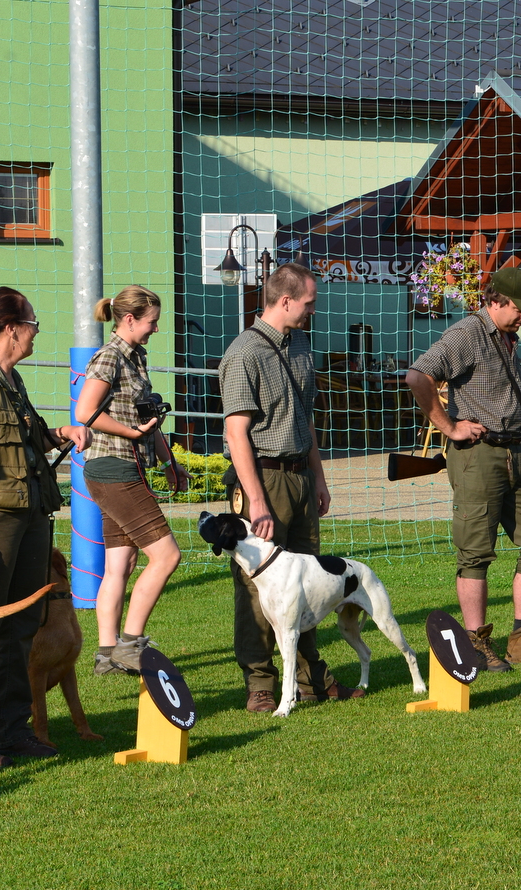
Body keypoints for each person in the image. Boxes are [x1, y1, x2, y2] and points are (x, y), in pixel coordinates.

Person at [0, 287, 91, 767]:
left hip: (30, 517)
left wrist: (61, 434)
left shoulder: (11, 379)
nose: (36, 334)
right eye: (33, 326)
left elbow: (23, 442)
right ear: (11, 329)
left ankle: (10, 731)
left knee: (22, 624)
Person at [406, 267, 521, 670]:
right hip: (479, 455)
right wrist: (449, 427)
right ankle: (476, 643)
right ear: (495, 301)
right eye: (519, 309)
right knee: (475, 553)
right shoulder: (466, 334)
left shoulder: (506, 337)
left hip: (517, 455)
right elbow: (418, 376)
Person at [220, 262, 358, 713]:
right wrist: (256, 500)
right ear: (285, 301)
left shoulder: (300, 344)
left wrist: (319, 477)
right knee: (257, 587)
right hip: (263, 480)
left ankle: (309, 679)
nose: (313, 310)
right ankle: (260, 683)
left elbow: (306, 416)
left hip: (300, 477)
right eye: (308, 303)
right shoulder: (244, 353)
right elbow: (236, 433)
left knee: (309, 582)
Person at [75, 285, 190, 676]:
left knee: (120, 564)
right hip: (113, 469)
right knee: (167, 556)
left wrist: (169, 462)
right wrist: (131, 434)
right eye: (152, 322)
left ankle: (107, 655)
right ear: (129, 319)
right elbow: (85, 411)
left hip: (123, 467)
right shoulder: (109, 357)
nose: (156, 329)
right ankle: (130, 644)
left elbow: (146, 419)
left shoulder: (135, 357)